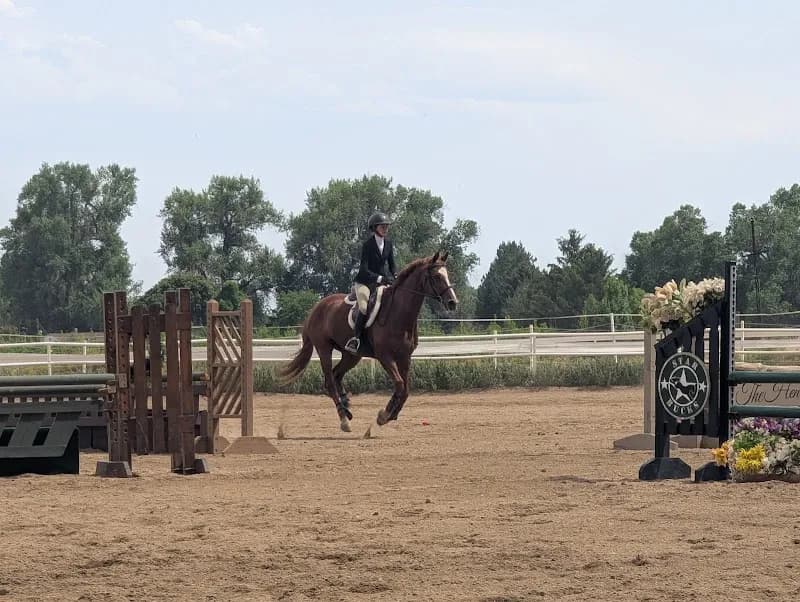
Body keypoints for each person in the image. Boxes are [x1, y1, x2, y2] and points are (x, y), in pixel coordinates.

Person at [344, 212, 397, 353]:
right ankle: (356, 339)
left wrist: (395, 276)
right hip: (365, 282)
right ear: (374, 228)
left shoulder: (389, 243)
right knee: (363, 307)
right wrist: (379, 278)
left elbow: (392, 265)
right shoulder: (367, 245)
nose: (385, 229)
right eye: (382, 226)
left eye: (387, 226)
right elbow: (364, 269)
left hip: (382, 282)